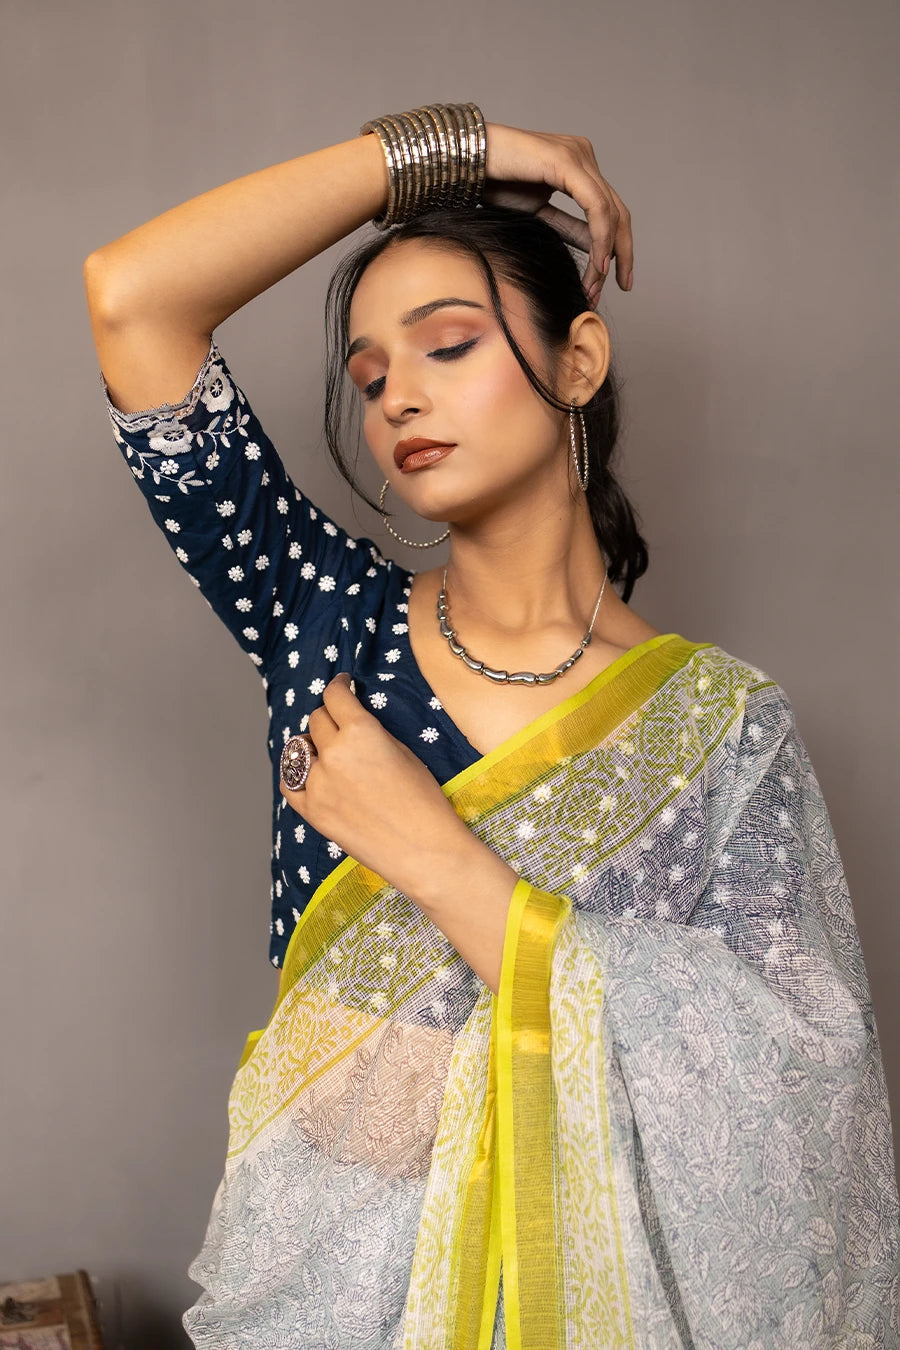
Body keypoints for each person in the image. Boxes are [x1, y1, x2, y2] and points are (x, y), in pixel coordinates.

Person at [84, 105, 899, 1349]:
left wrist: (434, 858)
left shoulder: (725, 731)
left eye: (448, 344)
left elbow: (795, 1107)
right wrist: (464, 146)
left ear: (579, 361)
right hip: (322, 1305)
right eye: (368, 377)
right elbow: (133, 295)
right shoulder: (323, 618)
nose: (397, 397)